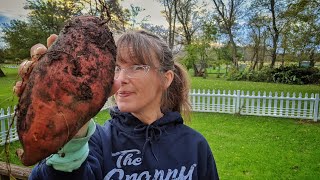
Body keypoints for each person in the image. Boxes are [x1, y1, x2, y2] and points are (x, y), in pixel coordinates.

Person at [15, 30, 219, 179]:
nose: (121, 79)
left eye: (137, 67)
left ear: (166, 79)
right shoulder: (95, 143)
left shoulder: (194, 146)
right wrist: (71, 136)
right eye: (116, 68)